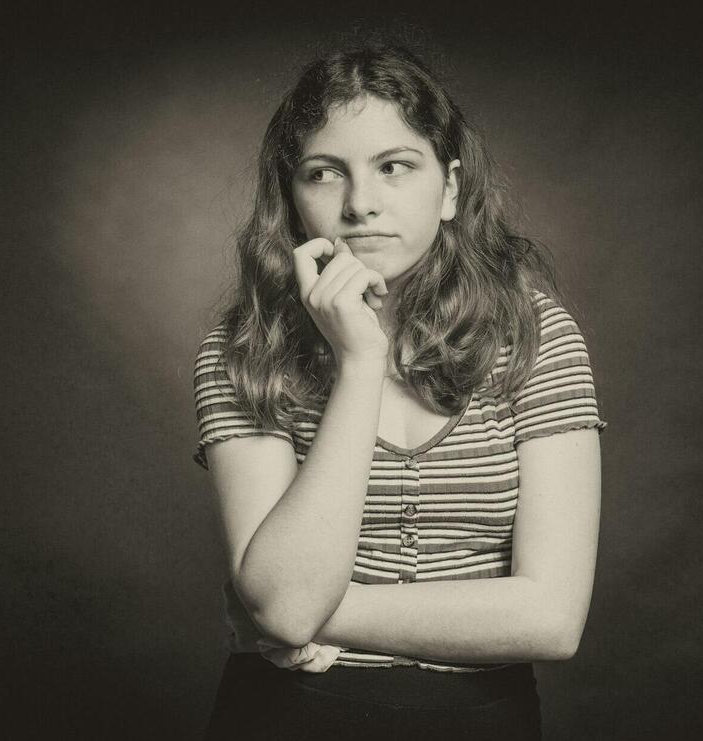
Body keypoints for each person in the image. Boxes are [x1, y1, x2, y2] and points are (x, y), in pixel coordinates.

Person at [192, 42, 604, 739]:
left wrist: (321, 606)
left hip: (483, 720)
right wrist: (358, 362)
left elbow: (553, 618)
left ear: (447, 188)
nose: (361, 204)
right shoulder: (244, 347)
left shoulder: (536, 335)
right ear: (290, 198)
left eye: (394, 167)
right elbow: (285, 605)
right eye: (324, 173)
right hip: (289, 717)